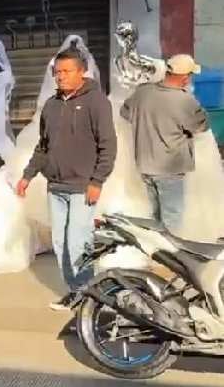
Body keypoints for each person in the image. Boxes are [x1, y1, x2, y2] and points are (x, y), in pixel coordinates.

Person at [17, 49, 116, 311]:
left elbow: (108, 146)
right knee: (61, 244)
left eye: (66, 71)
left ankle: (89, 297)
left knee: (79, 243)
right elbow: (43, 145)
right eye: (57, 72)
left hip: (82, 186)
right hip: (56, 187)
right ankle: (75, 291)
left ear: (81, 71)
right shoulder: (51, 105)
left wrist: (97, 181)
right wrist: (28, 175)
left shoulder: (96, 102)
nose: (60, 77)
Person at [120, 54, 209, 232]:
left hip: (145, 166)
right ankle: (169, 258)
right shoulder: (184, 101)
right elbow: (201, 126)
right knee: (172, 220)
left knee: (157, 218)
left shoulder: (142, 92)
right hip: (170, 168)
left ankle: (157, 254)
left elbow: (125, 113)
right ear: (185, 77)